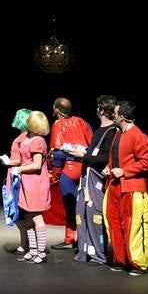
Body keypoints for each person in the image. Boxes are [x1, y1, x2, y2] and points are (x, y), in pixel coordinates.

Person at [103, 100, 148, 275]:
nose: (113, 116)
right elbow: (117, 157)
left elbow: (147, 161)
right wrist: (109, 168)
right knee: (114, 223)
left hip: (131, 188)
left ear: (122, 117)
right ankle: (120, 258)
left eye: (115, 114)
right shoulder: (118, 133)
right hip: (115, 186)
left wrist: (124, 171)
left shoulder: (138, 135)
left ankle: (138, 263)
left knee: (132, 226)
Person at [75, 95, 120, 266]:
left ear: (102, 109)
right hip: (86, 178)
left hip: (97, 181)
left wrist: (83, 156)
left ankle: (98, 254)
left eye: (98, 107)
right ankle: (84, 250)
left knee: (95, 217)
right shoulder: (99, 130)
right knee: (82, 215)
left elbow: (104, 157)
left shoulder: (112, 131)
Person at [2, 110, 52, 264]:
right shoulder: (28, 139)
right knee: (29, 218)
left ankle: (41, 252)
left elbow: (36, 165)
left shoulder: (38, 141)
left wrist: (19, 169)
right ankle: (33, 250)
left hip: (35, 183)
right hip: (26, 183)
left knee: (37, 217)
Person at [47, 97, 93, 251]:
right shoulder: (82, 122)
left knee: (70, 208)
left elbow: (59, 155)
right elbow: (91, 146)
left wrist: (55, 174)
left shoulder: (57, 125)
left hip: (68, 171)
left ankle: (70, 239)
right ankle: (86, 239)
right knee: (86, 206)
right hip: (85, 170)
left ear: (57, 110)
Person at [2, 108, 33, 255]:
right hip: (14, 173)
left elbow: (22, 159)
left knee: (19, 211)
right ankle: (25, 243)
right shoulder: (23, 136)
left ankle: (25, 244)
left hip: (16, 174)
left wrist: (8, 162)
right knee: (17, 212)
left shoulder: (24, 138)